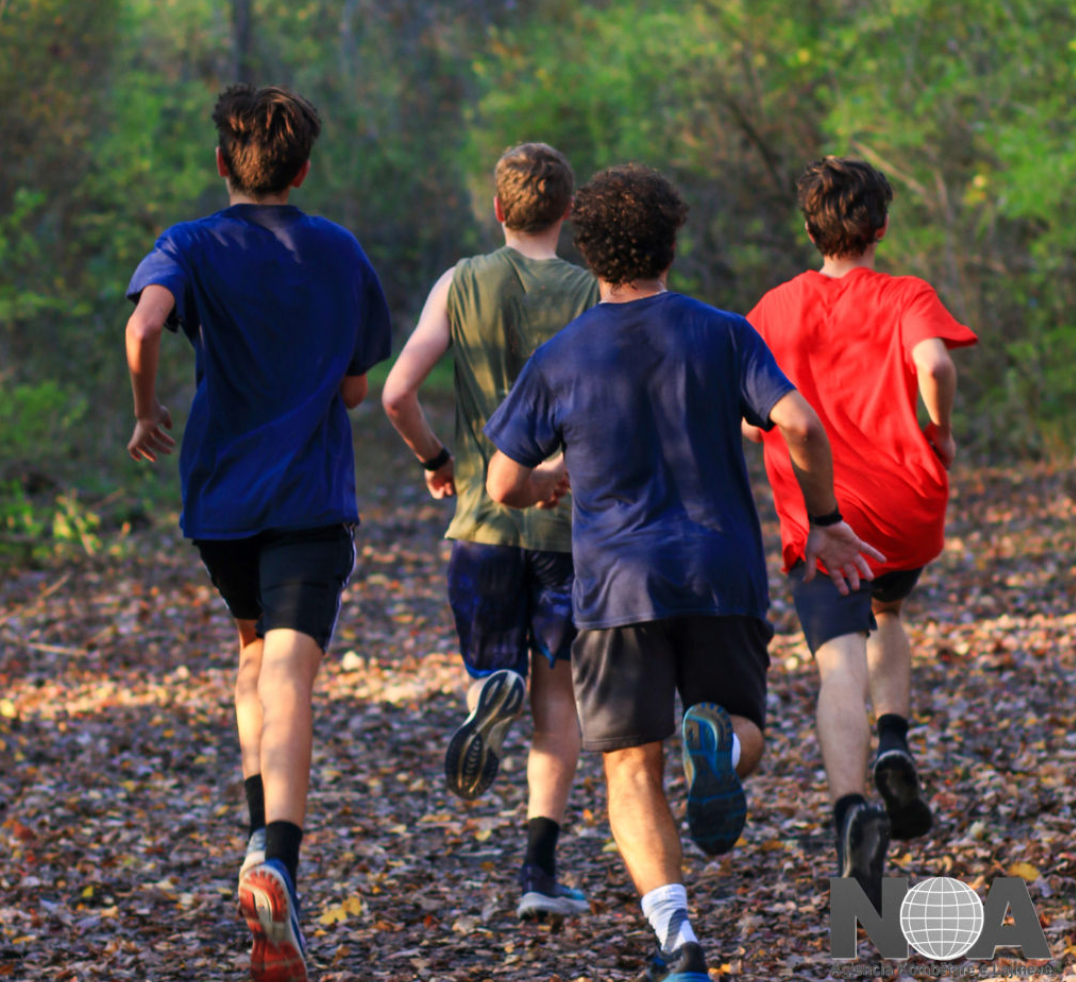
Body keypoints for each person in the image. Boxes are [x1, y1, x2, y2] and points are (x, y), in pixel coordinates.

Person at [483, 163, 881, 981]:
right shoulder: (723, 331)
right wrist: (828, 519)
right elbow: (800, 423)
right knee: (746, 734)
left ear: (590, 254)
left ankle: (680, 941)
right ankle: (719, 756)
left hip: (615, 586)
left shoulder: (562, 355)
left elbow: (502, 483)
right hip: (718, 571)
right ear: (673, 243)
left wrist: (548, 482)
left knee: (631, 763)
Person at [124, 83, 391, 982]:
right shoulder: (341, 250)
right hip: (312, 496)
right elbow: (357, 388)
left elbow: (145, 321)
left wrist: (146, 405)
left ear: (220, 164)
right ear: (304, 170)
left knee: (251, 655)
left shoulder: (189, 244)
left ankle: (251, 843)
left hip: (223, 500)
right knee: (290, 670)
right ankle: (280, 856)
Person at [744, 156, 978, 910]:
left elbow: (751, 414)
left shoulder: (773, 309)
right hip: (905, 503)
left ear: (809, 227)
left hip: (824, 516)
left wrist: (764, 431)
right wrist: (938, 431)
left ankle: (852, 811)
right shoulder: (906, 294)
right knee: (889, 611)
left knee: (840, 657)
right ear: (880, 227)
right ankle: (895, 743)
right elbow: (934, 364)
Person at [381, 142, 599, 923]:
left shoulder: (459, 281)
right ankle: (539, 870)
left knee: (498, 673)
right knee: (558, 703)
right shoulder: (589, 294)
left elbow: (398, 393)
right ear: (569, 215)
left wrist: (438, 460)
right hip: (566, 529)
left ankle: (485, 686)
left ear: (499, 210)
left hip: (481, 517)